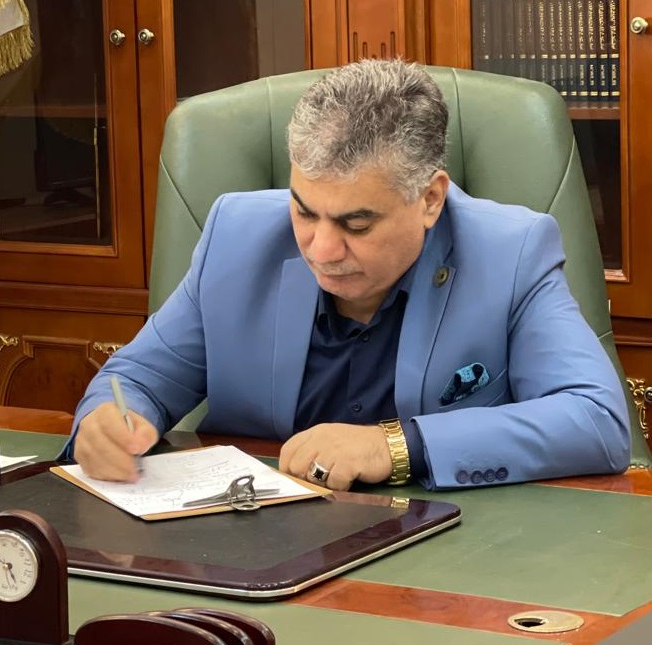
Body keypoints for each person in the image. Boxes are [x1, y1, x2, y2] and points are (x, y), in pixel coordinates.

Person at [60, 59, 630, 491]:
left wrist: (396, 446)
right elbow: (139, 376)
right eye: (305, 212)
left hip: (445, 558)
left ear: (430, 199)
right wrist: (110, 419)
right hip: (255, 543)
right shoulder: (236, 234)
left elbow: (597, 420)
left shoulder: (510, 251)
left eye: (357, 223)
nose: (323, 248)